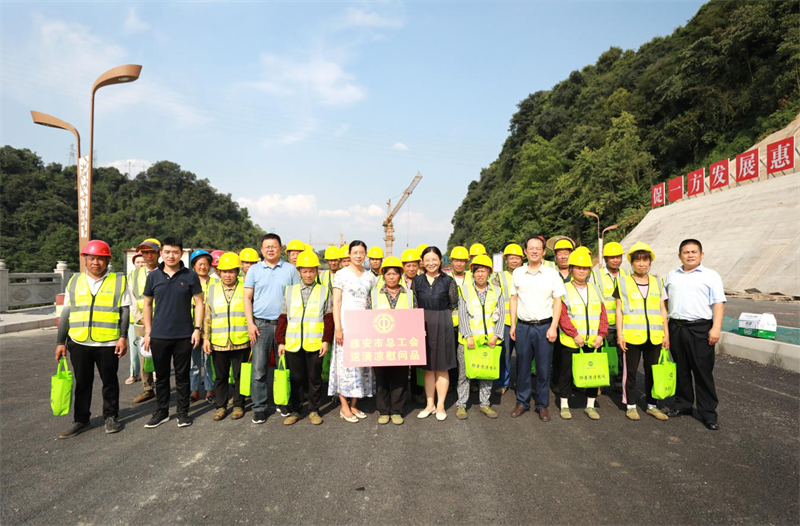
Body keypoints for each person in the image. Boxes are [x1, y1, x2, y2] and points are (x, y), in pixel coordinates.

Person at [55, 240, 130, 439]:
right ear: (85, 259)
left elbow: (125, 311)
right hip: (79, 341)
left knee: (109, 381)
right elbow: (66, 313)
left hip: (108, 342)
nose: (96, 262)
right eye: (92, 258)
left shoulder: (119, 281)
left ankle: (111, 417)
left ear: (107, 260)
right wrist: (60, 342)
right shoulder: (74, 281)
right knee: (82, 382)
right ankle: (81, 419)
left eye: (100, 259)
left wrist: (123, 337)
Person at [140, 237, 204, 429]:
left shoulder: (190, 276)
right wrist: (148, 331)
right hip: (159, 335)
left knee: (182, 376)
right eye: (167, 252)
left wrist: (197, 329)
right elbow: (147, 304)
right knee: (161, 376)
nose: (171, 256)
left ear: (181, 254)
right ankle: (162, 411)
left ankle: (182, 413)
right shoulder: (153, 277)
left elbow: (199, 303)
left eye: (175, 252)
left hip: (184, 335)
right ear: (161, 253)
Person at [664, 239, 725, 431]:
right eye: (686, 252)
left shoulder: (711, 276)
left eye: (694, 252)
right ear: (679, 255)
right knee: (681, 369)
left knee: (702, 371)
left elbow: (719, 303)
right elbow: (664, 303)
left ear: (701, 254)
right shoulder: (672, 275)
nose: (690, 255)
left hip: (700, 328)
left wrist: (716, 328)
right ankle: (683, 404)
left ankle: (708, 413)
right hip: (676, 327)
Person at [244, 233, 300, 424]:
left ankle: (282, 402)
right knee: (259, 369)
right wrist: (250, 323)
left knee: (283, 367)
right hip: (260, 325)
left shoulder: (290, 269)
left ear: (280, 249)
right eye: (266, 247)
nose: (270, 250)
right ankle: (259, 407)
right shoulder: (254, 270)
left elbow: (295, 299)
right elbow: (247, 298)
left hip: (284, 326)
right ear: (261, 250)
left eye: (274, 246)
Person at [508, 235, 565, 422]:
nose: (534, 251)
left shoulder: (551, 273)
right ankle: (522, 402)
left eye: (537, 248)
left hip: (544, 327)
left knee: (543, 367)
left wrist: (554, 327)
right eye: (530, 248)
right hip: (523, 327)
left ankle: (542, 405)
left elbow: (558, 301)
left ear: (543, 251)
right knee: (523, 366)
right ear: (525, 251)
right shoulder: (518, 273)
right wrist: (513, 324)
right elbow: (514, 299)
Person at [276, 251, 334, 425]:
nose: (308, 274)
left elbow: (328, 318)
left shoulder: (324, 291)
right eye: (305, 271)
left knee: (314, 379)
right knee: (296, 379)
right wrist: (280, 341)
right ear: (299, 271)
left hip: (315, 343)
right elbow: (283, 317)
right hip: (293, 343)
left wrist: (326, 340)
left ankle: (314, 410)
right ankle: (296, 410)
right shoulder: (290, 291)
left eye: (311, 271)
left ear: (317, 271)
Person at [614, 242, 670, 422]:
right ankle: (630, 406)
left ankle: (652, 405)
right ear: (631, 262)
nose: (641, 264)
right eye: (637, 260)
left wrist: (666, 334)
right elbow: (619, 311)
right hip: (631, 336)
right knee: (630, 373)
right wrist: (620, 335)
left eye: (645, 260)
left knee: (652, 371)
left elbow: (663, 309)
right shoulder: (623, 282)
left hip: (654, 336)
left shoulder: (658, 282)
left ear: (650, 262)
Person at [556, 250, 608, 420]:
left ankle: (590, 406)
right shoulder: (564, 289)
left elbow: (603, 314)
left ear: (589, 270)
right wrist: (574, 335)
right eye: (578, 267)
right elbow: (562, 316)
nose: (581, 271)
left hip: (593, 341)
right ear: (571, 268)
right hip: (571, 341)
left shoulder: (595, 288)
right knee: (566, 374)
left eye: (585, 268)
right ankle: (564, 405)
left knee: (593, 374)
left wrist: (601, 335)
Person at [330, 241, 376, 423]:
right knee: (344, 366)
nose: (358, 255)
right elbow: (336, 302)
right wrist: (338, 328)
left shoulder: (370, 276)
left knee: (361, 364)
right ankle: (344, 406)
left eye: (361, 252)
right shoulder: (341, 274)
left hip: (363, 325)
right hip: (345, 324)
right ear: (349, 254)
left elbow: (373, 301)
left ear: (365, 255)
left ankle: (355, 404)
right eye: (355, 252)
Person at [366, 256, 417, 425]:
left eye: (395, 274)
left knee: (400, 377)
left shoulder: (409, 294)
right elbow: (367, 317)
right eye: (388, 274)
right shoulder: (374, 294)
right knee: (381, 377)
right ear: (383, 275)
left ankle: (396, 411)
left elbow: (414, 316)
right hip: (380, 343)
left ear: (400, 275)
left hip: (402, 343)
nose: (392, 277)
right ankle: (383, 410)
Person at [455, 254, 504, 420]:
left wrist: (496, 336)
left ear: (489, 272)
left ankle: (485, 404)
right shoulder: (465, 290)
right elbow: (462, 315)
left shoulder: (497, 291)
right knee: (464, 374)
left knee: (486, 373)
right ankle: (461, 404)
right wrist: (468, 336)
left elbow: (501, 316)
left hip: (489, 341)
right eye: (477, 271)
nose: (480, 274)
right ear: (473, 273)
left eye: (483, 271)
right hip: (468, 341)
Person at [203, 252, 250, 422]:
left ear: (237, 272)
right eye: (224, 271)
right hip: (219, 342)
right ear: (219, 272)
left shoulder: (245, 287)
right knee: (220, 377)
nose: (227, 275)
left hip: (240, 340)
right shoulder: (212, 289)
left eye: (231, 271)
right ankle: (221, 406)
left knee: (239, 375)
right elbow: (207, 316)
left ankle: (238, 405)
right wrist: (206, 338)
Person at [412, 246, 458, 421]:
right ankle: (429, 404)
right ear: (422, 262)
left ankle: (441, 405)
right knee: (428, 368)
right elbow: (414, 304)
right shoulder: (417, 281)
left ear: (440, 260)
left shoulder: (448, 281)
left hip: (443, 323)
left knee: (442, 367)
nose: (431, 263)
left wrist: (439, 317)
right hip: (422, 325)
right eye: (427, 260)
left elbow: (453, 303)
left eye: (434, 259)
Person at [589, 242, 628, 390]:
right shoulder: (596, 275)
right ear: (605, 258)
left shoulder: (627, 274)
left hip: (623, 323)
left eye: (618, 257)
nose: (616, 260)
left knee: (621, 354)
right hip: (604, 323)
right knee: (603, 353)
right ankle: (600, 381)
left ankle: (619, 382)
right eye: (612, 257)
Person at [130, 238, 161, 404]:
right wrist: (141, 318)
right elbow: (131, 299)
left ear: (159, 253)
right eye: (145, 252)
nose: (148, 255)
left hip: (163, 322)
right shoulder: (134, 275)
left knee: (164, 355)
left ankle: (164, 388)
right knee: (145, 355)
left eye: (151, 252)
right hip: (142, 321)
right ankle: (148, 388)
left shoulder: (166, 272)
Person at [495, 243, 524, 395]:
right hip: (505, 322)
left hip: (524, 322)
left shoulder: (528, 274)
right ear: (506, 260)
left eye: (517, 258)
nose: (514, 261)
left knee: (523, 356)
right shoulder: (499, 276)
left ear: (522, 259)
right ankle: (503, 383)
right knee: (505, 355)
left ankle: (521, 384)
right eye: (511, 258)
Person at [189, 249, 215, 403]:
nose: (203, 267)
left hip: (211, 328)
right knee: (194, 362)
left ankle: (210, 388)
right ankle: (194, 390)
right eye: (199, 264)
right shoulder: (189, 282)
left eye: (205, 264)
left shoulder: (216, 283)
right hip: (193, 328)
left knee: (209, 361)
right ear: (194, 266)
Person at [125, 252, 145, 385]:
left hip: (152, 319)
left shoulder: (151, 275)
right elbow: (130, 299)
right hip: (135, 319)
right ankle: (134, 373)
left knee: (150, 349)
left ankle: (153, 373)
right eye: (138, 262)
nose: (140, 264)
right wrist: (138, 316)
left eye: (142, 262)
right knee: (134, 348)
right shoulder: (131, 276)